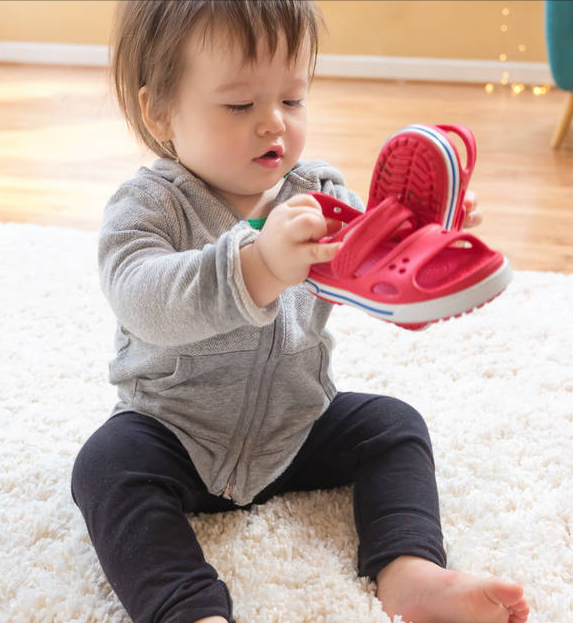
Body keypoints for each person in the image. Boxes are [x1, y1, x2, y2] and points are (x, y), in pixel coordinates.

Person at [70, 2, 529, 623]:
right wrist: (256, 266)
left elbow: (368, 264)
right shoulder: (148, 208)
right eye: (240, 105)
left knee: (393, 425)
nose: (273, 125)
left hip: (296, 424)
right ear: (160, 111)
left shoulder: (317, 194)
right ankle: (188, 609)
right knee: (104, 467)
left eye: (292, 99)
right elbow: (142, 297)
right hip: (176, 432)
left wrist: (420, 234)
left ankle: (411, 573)